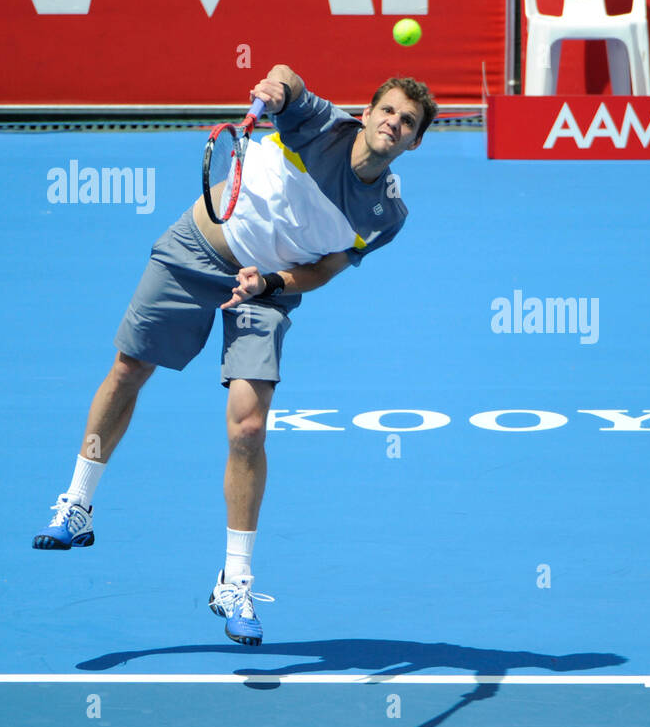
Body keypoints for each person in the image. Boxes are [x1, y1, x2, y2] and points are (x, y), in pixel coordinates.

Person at [33, 65, 438, 646]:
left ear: (415, 141)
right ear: (367, 113)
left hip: (266, 287)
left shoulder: (387, 217)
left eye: (408, 122)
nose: (394, 125)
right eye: (389, 112)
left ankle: (235, 580)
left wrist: (271, 283)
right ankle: (77, 503)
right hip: (196, 251)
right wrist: (274, 90)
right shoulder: (322, 126)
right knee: (129, 369)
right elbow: (287, 79)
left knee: (249, 428)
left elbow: (323, 269)